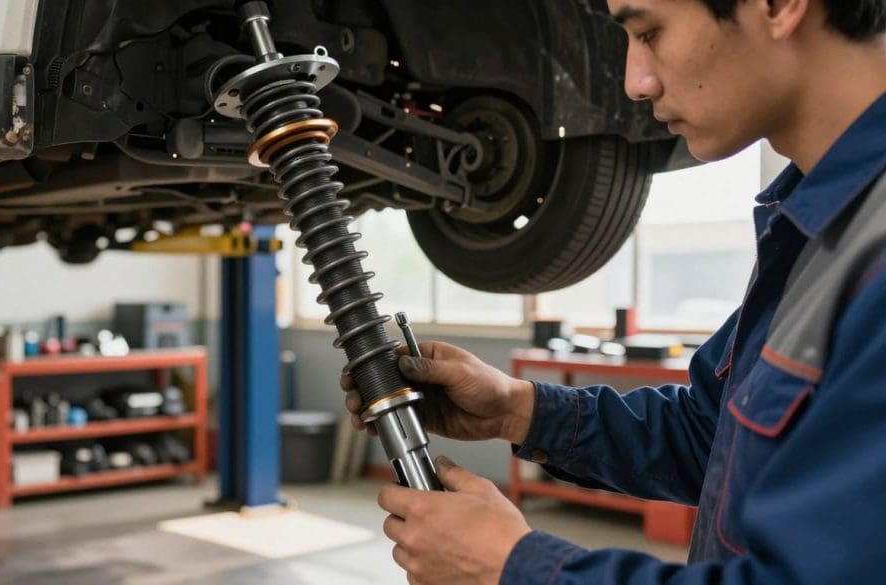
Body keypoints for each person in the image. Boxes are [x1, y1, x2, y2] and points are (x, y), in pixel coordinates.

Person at [340, 0, 886, 583]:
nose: (634, 82)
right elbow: (711, 434)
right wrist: (516, 409)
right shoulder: (817, 230)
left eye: (650, 31)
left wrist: (512, 567)